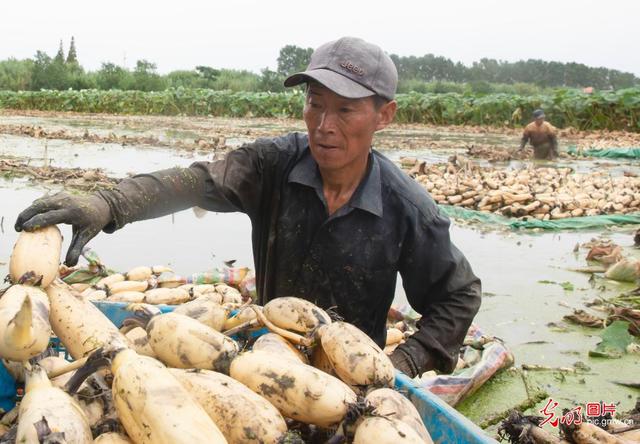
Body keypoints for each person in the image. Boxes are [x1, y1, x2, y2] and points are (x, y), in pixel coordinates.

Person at [15, 37, 481, 378]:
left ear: (384, 115)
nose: (324, 125)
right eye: (315, 104)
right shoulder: (274, 165)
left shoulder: (407, 209)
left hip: (353, 377)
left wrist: (405, 361)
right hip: (266, 360)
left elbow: (458, 295)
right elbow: (195, 182)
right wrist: (106, 203)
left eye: (345, 110)